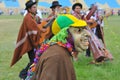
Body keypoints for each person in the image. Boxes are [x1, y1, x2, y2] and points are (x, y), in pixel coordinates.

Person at [25, 14, 90, 80]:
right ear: (64, 33)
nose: (88, 34)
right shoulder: (56, 56)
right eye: (79, 31)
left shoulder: (61, 50)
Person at [10, 1, 45, 79]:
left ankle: (28, 75)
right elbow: (34, 30)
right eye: (34, 7)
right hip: (29, 43)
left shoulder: (33, 16)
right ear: (29, 9)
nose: (36, 9)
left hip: (31, 42)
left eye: (36, 7)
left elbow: (39, 22)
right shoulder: (28, 18)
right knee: (34, 61)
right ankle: (23, 74)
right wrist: (42, 30)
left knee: (34, 60)